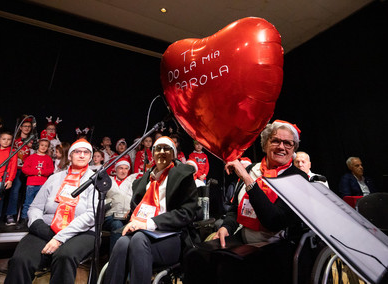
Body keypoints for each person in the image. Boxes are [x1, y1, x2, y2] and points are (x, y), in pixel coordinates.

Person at [183, 120, 310, 284]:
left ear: (293, 149)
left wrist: (247, 179)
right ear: (265, 144)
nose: (281, 147)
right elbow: (235, 210)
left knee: (229, 268)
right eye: (276, 141)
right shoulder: (252, 169)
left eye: (288, 143)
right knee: (194, 255)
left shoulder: (297, 178)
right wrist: (226, 227)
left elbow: (274, 221)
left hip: (274, 246)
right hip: (243, 238)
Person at [103, 136, 198, 284]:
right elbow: (136, 208)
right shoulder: (143, 181)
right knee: (121, 243)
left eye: (166, 149)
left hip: (171, 236)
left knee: (138, 239)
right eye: (157, 149)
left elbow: (186, 214)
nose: (161, 152)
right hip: (142, 234)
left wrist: (149, 223)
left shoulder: (183, 176)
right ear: (152, 154)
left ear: (173, 154)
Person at [4, 139, 97, 284]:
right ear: (70, 155)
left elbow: (92, 215)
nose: (81, 155)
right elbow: (35, 207)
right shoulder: (54, 178)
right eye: (77, 152)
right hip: (46, 228)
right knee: (20, 259)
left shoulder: (96, 181)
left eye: (86, 152)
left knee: (64, 256)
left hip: (80, 231)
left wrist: (60, 237)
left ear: (90, 157)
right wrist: (38, 226)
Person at [103, 156, 138, 252]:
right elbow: (99, 199)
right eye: (121, 168)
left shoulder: (132, 181)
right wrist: (108, 203)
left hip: (127, 216)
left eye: (126, 168)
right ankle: (114, 260)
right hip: (111, 216)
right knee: (117, 225)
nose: (123, 171)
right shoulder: (109, 181)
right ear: (115, 169)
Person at [5, 117, 34, 226]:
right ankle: (10, 215)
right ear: (20, 127)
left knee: (27, 193)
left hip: (27, 170)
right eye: (25, 126)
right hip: (15, 169)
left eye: (29, 126)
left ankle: (24, 216)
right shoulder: (14, 140)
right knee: (14, 191)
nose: (27, 128)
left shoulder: (32, 140)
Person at [20, 139, 54, 224]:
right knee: (28, 202)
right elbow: (24, 169)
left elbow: (51, 170)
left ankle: (38, 220)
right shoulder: (31, 157)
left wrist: (42, 172)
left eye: (46, 146)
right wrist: (36, 172)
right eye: (42, 145)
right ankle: (24, 218)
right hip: (31, 183)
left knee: (41, 203)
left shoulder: (48, 158)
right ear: (38, 145)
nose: (43, 147)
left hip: (42, 184)